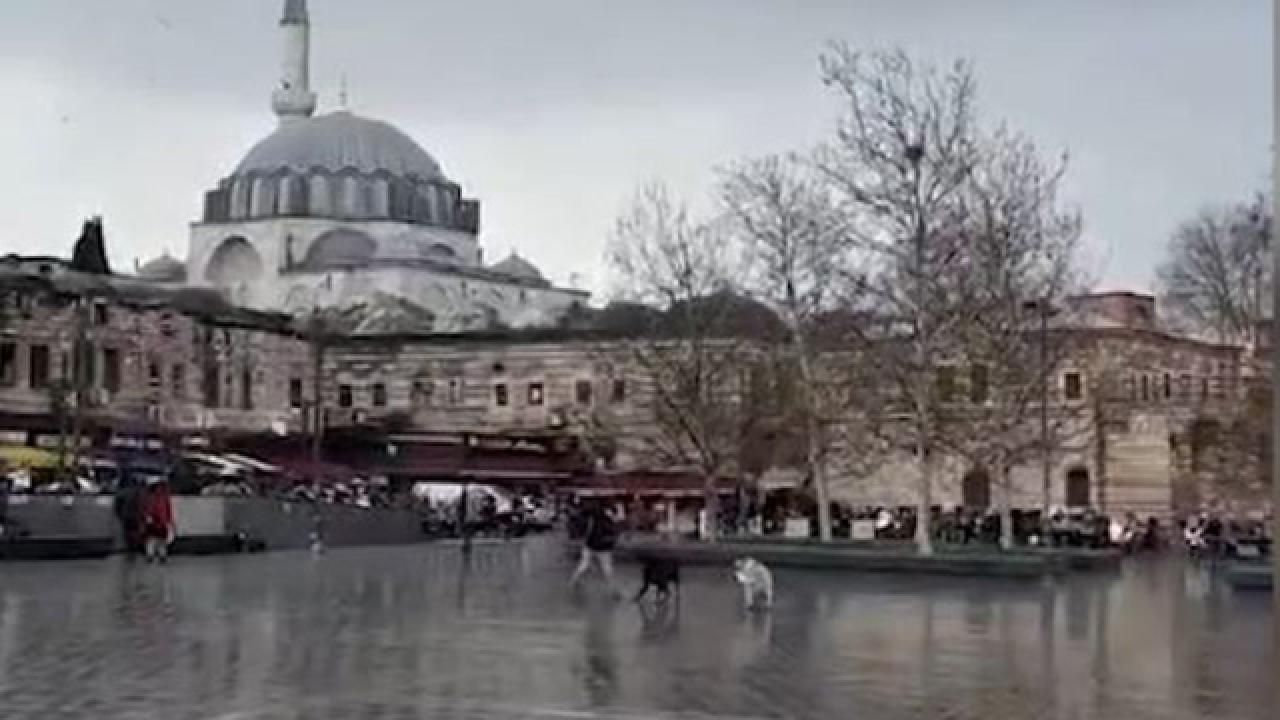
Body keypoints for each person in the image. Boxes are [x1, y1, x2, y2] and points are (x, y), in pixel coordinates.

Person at [570, 503, 621, 597]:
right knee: (607, 570)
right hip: (601, 548)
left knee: (584, 566)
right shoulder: (607, 520)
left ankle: (575, 581)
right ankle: (614, 591)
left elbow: (581, 527)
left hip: (591, 546)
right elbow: (613, 533)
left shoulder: (592, 519)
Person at [141, 476, 176, 563]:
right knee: (159, 539)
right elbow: (168, 509)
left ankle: (152, 555)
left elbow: (145, 508)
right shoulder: (163, 496)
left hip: (154, 520)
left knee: (152, 539)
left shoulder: (148, 496)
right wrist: (169, 520)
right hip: (160, 520)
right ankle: (160, 555)